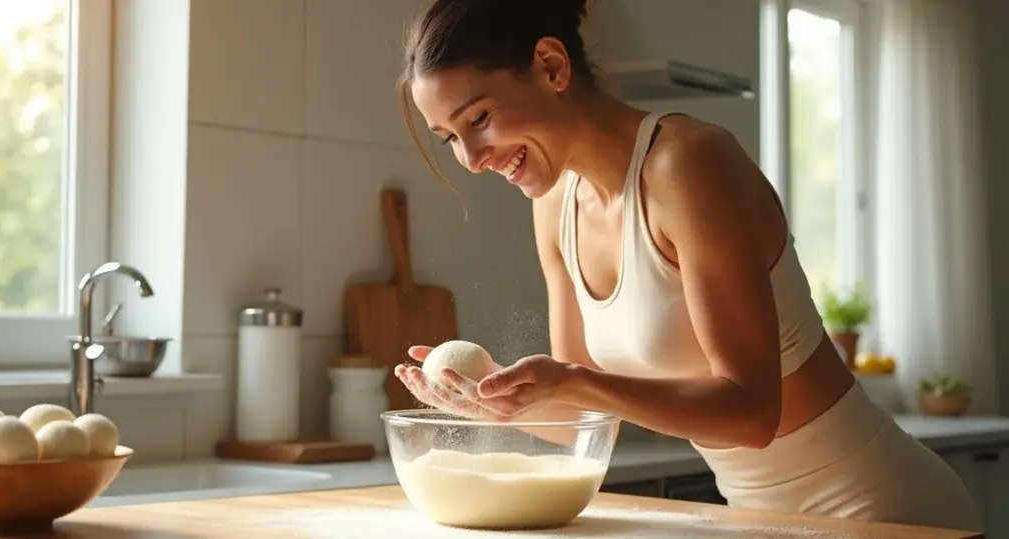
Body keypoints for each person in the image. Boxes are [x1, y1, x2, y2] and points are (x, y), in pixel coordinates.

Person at [391, 0, 983, 533]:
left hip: (881, 511)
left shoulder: (688, 165)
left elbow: (752, 415)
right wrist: (491, 397)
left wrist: (571, 379)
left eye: (478, 119)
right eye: (449, 138)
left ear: (551, 66)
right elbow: (580, 416)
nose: (471, 160)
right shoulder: (554, 206)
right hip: (763, 520)